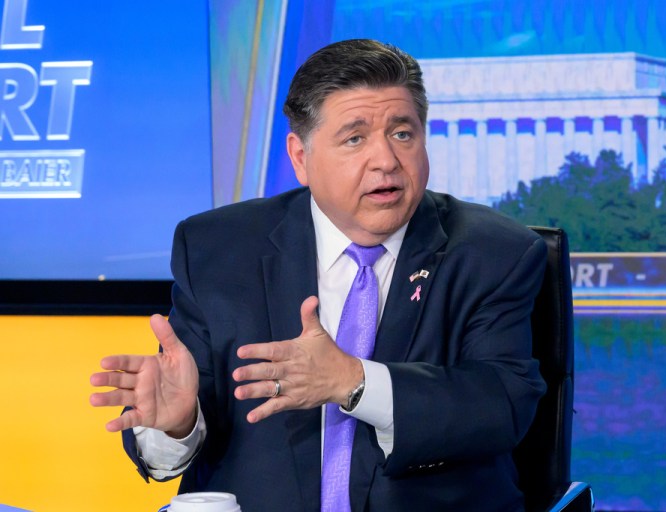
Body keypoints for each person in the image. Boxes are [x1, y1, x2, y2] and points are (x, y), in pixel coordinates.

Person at [90, 39, 547, 511]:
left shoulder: (494, 252)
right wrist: (176, 425)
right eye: (355, 138)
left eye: (403, 133)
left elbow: (501, 405)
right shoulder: (217, 248)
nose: (386, 160)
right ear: (300, 158)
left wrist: (354, 381)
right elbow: (178, 428)